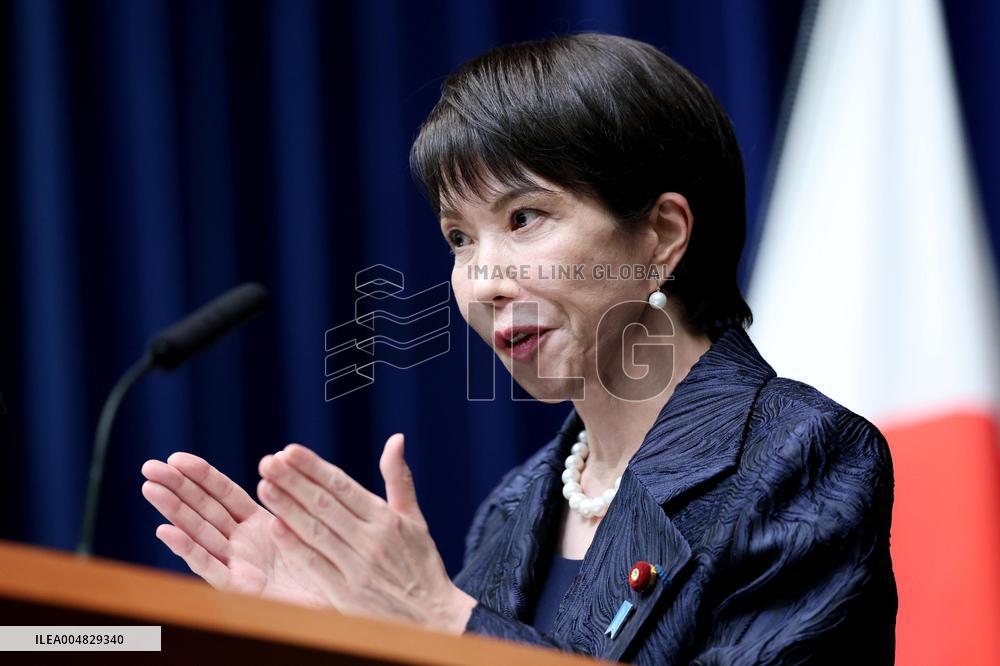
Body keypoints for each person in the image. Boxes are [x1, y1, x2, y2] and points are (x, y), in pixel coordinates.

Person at [141, 33, 897, 664]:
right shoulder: (514, 509)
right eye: (460, 240)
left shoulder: (801, 457)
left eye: (526, 216)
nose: (484, 281)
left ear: (661, 235)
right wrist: (350, 640)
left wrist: (443, 621)